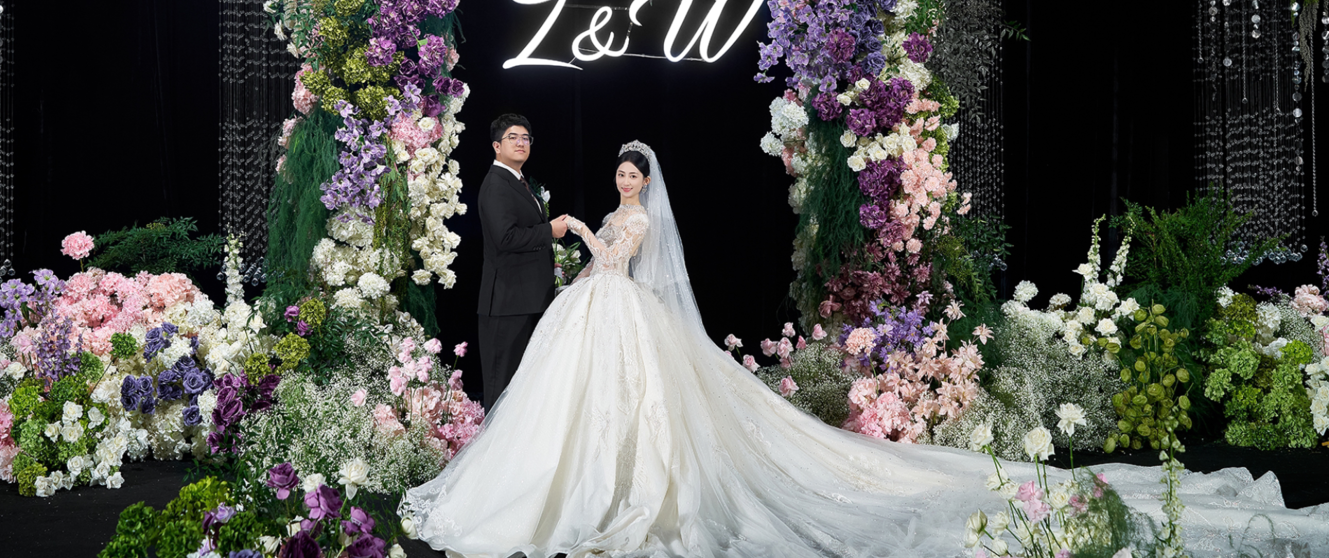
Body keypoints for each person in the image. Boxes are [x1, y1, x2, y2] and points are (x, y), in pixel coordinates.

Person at [408, 141, 1329, 558]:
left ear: (646, 181)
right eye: (619, 170)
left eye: (631, 171)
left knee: (645, 414)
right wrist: (583, 233)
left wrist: (582, 230)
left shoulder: (638, 220)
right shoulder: (617, 208)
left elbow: (616, 260)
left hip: (616, 309)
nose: (623, 178)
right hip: (595, 313)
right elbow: (599, 259)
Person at [476, 113, 568, 410]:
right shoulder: (496, 184)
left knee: (523, 393)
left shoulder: (518, 182)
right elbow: (505, 238)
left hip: (527, 300)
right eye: (512, 138)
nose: (520, 143)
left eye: (525, 138)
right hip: (507, 303)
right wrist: (549, 230)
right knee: (502, 389)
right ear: (496, 146)